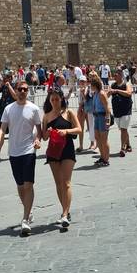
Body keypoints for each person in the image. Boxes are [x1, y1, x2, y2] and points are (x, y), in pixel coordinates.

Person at [0, 80, 42, 236]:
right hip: (13, 152)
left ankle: (25, 219)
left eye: (25, 89)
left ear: (28, 91)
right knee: (20, 186)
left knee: (28, 184)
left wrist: (38, 139)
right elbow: (2, 130)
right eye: (20, 89)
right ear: (16, 90)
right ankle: (29, 209)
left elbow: (39, 129)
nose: (22, 91)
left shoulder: (33, 109)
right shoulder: (8, 109)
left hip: (28, 151)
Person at [42, 86, 80, 229]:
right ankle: (65, 210)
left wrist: (66, 131)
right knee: (58, 183)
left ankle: (65, 214)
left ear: (62, 99)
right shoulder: (46, 115)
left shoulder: (69, 112)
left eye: (57, 99)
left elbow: (79, 129)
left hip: (67, 149)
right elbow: (44, 137)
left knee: (66, 183)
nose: (55, 102)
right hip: (53, 151)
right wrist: (48, 132)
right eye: (52, 99)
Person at [109, 67, 133, 156]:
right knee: (123, 129)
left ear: (121, 75)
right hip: (116, 110)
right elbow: (108, 95)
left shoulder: (126, 84)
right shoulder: (113, 85)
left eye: (116, 75)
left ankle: (122, 148)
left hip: (126, 109)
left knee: (123, 129)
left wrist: (118, 91)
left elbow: (129, 93)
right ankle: (128, 145)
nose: (114, 77)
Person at [88, 72, 110, 166]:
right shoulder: (95, 94)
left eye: (91, 85)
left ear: (95, 85)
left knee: (104, 139)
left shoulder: (101, 94)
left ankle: (106, 159)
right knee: (98, 138)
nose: (90, 87)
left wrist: (108, 121)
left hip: (102, 116)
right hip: (96, 116)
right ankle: (102, 157)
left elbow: (107, 109)